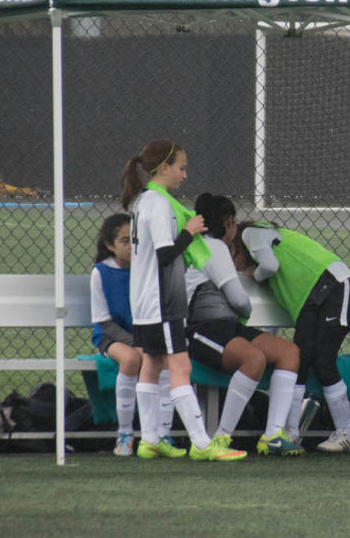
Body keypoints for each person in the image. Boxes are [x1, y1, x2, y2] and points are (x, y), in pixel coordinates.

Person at [120, 139, 246, 462]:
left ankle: (149, 439)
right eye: (181, 167)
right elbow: (165, 254)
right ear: (163, 168)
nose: (184, 174)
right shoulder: (158, 204)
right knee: (181, 366)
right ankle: (203, 444)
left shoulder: (144, 202)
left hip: (146, 300)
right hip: (163, 302)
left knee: (152, 365)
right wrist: (189, 231)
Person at [186, 193, 304, 456]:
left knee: (288, 352)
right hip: (201, 329)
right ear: (228, 223)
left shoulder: (209, 246)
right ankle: (221, 438)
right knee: (254, 359)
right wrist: (247, 310)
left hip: (228, 328)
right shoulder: (212, 247)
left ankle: (273, 434)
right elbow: (240, 301)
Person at [233, 221, 350, 453]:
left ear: (238, 246)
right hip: (311, 298)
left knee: (324, 361)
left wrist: (253, 274)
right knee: (297, 364)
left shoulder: (252, 232)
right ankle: (290, 432)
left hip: (334, 283)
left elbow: (269, 266)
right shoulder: (270, 267)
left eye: (233, 255)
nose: (235, 265)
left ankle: (348, 433)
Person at [89, 213, 179, 456]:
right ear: (110, 245)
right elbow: (104, 322)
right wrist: (136, 342)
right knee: (131, 359)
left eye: (135, 240)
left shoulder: (148, 268)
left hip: (144, 333)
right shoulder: (101, 273)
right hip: (111, 336)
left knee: (163, 360)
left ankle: (163, 434)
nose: (131, 246)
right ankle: (125, 433)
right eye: (124, 241)